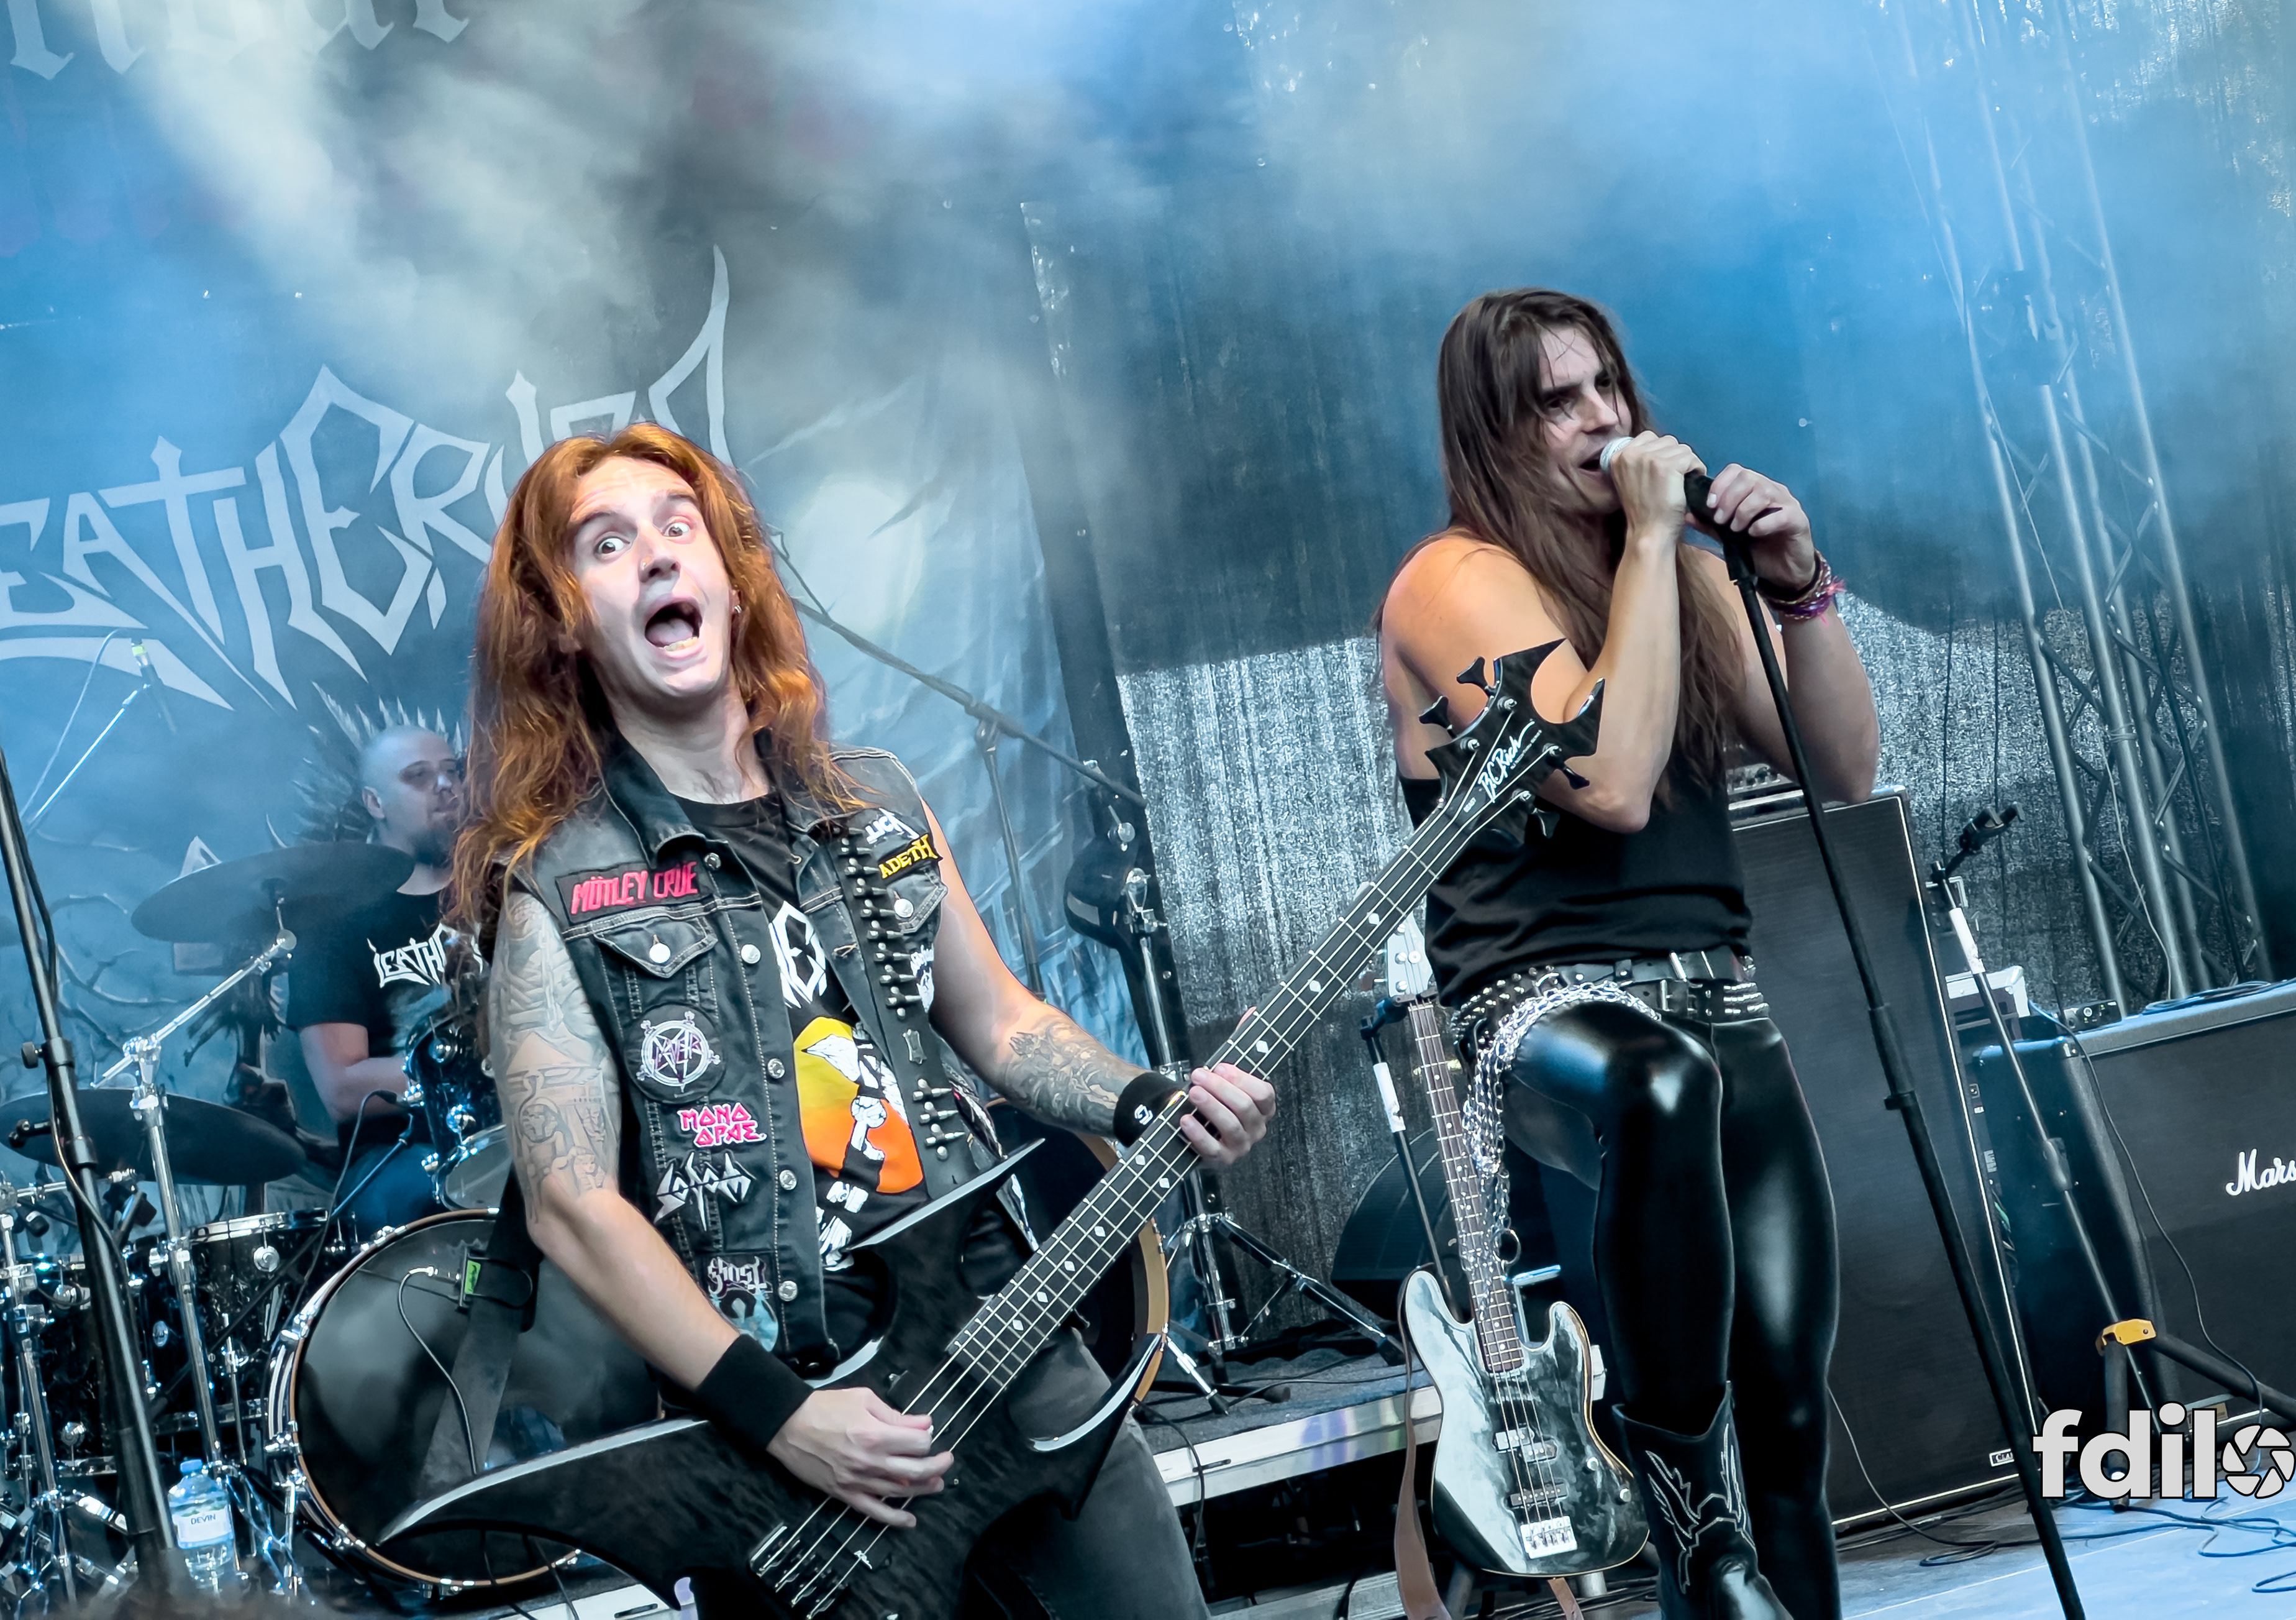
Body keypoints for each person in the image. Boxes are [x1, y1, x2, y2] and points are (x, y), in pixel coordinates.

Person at [451, 423, 1275, 1619]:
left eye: (680, 527)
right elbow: (575, 1209)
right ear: (565, 623)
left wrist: (1147, 1099)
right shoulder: (558, 888)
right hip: (786, 1396)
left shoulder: (875, 801)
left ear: (733, 580)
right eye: (607, 545)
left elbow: (999, 1023)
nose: (657, 555)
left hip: (999, 1334)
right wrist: (781, 1417)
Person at [1377, 290, 1879, 1620]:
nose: (1602, 420)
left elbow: (1842, 766)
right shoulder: (1457, 581)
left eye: (1608, 387)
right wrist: (1655, 543)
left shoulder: (1683, 577)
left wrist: (1796, 584)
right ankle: (1684, 1514)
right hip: (1540, 1007)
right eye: (1560, 401)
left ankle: (1740, 1570)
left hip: (1715, 997)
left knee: (1786, 1405)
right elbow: (1609, 782)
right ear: (1495, 428)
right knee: (1659, 1079)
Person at [286, 723, 464, 1233]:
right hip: (404, 1149)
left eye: (452, 771)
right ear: (375, 803)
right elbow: (343, 1089)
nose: (445, 786)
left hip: (526, 1120)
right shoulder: (332, 923)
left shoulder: (503, 888)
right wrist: (480, 1070)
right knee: (411, 1197)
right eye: (418, 776)